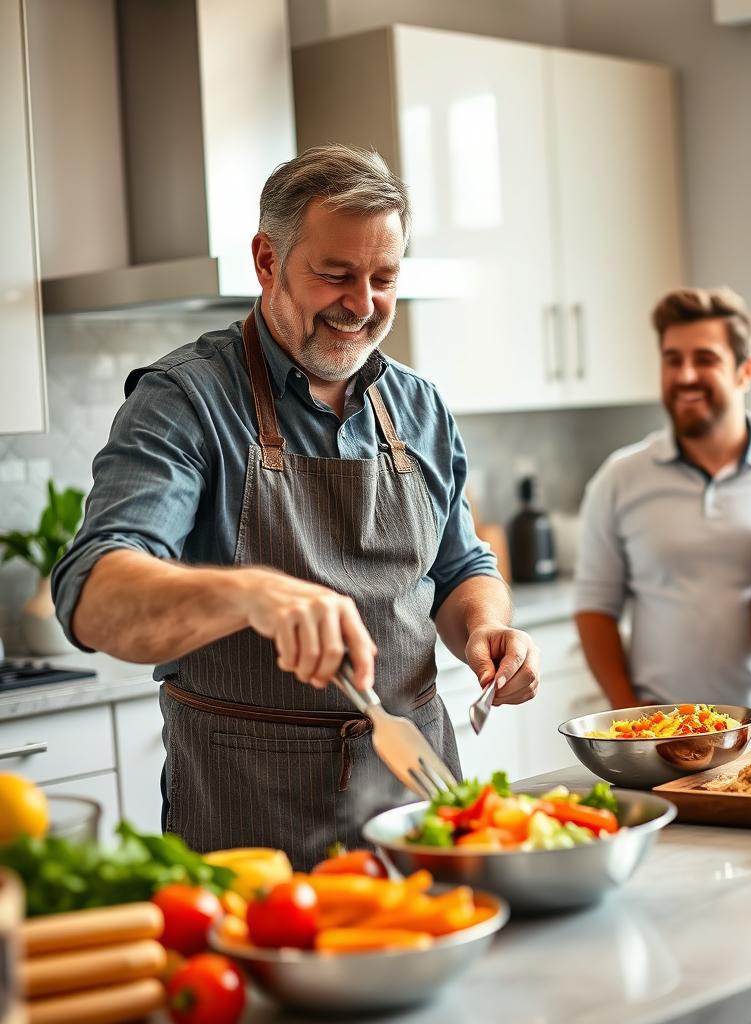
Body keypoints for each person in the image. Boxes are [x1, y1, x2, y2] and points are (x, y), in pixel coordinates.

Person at [52, 145, 540, 869]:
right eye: (336, 274)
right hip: (249, 822)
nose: (363, 304)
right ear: (266, 260)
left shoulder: (419, 405)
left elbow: (460, 562)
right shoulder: (185, 401)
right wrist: (249, 593)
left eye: (384, 278)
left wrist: (487, 628)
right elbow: (91, 593)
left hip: (418, 811)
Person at [574, 286, 751, 711]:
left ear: (746, 371)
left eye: (705, 359)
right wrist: (631, 714)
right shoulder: (620, 478)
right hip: (664, 728)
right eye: (673, 359)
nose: (685, 375)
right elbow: (595, 607)